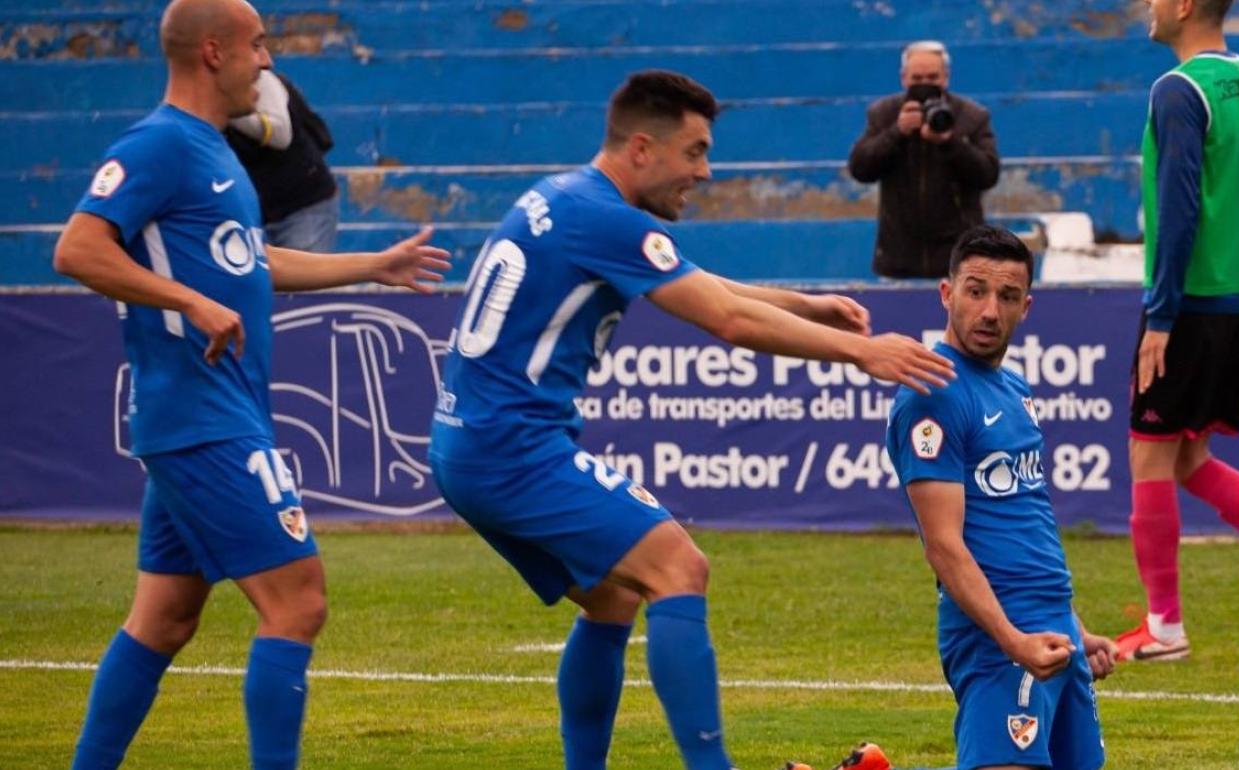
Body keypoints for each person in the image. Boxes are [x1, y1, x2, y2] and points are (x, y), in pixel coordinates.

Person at [430, 69, 956, 770]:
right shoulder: (607, 217)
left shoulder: (567, 197)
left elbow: (692, 279)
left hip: (470, 444)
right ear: (642, 148)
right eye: (695, 152)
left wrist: (803, 305)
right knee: (681, 568)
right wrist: (861, 351)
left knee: (614, 598)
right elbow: (727, 319)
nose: (704, 173)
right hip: (511, 449)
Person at [52, 2, 451, 768]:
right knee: (298, 603)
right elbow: (78, 249)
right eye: (259, 45)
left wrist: (370, 267)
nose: (267, 62)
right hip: (202, 416)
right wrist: (188, 300)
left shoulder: (212, 152)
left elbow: (253, 262)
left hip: (212, 414)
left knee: (164, 619)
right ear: (212, 52)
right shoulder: (161, 144)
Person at [885, 225, 1117, 770]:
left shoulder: (1015, 388)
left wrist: (1073, 627)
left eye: (1007, 297)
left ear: (1026, 307)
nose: (990, 311)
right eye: (975, 291)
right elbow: (943, 546)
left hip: (1051, 628)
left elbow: (1023, 523)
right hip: (998, 636)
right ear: (947, 294)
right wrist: (1012, 641)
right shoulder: (933, 393)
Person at [1116, 0, 1239, 662]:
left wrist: (1160, 318)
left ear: (1185, 5)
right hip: (1236, 301)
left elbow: (1179, 204)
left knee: (1149, 453)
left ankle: (1164, 626)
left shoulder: (1178, 88)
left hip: (1190, 304)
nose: (1146, 5)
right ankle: (1163, 623)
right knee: (1187, 458)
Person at [848, 41, 1000, 279]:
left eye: (932, 77)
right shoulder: (883, 113)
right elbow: (860, 168)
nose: (924, 85)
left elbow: (988, 174)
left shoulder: (972, 116)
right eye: (916, 78)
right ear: (903, 78)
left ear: (946, 77)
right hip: (897, 256)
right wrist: (896, 133)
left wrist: (950, 143)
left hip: (959, 256)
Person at [226, 67, 339, 252]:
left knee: (301, 277)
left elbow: (281, 134)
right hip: (256, 212)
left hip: (302, 204)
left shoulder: (260, 78)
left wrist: (227, 115)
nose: (265, 59)